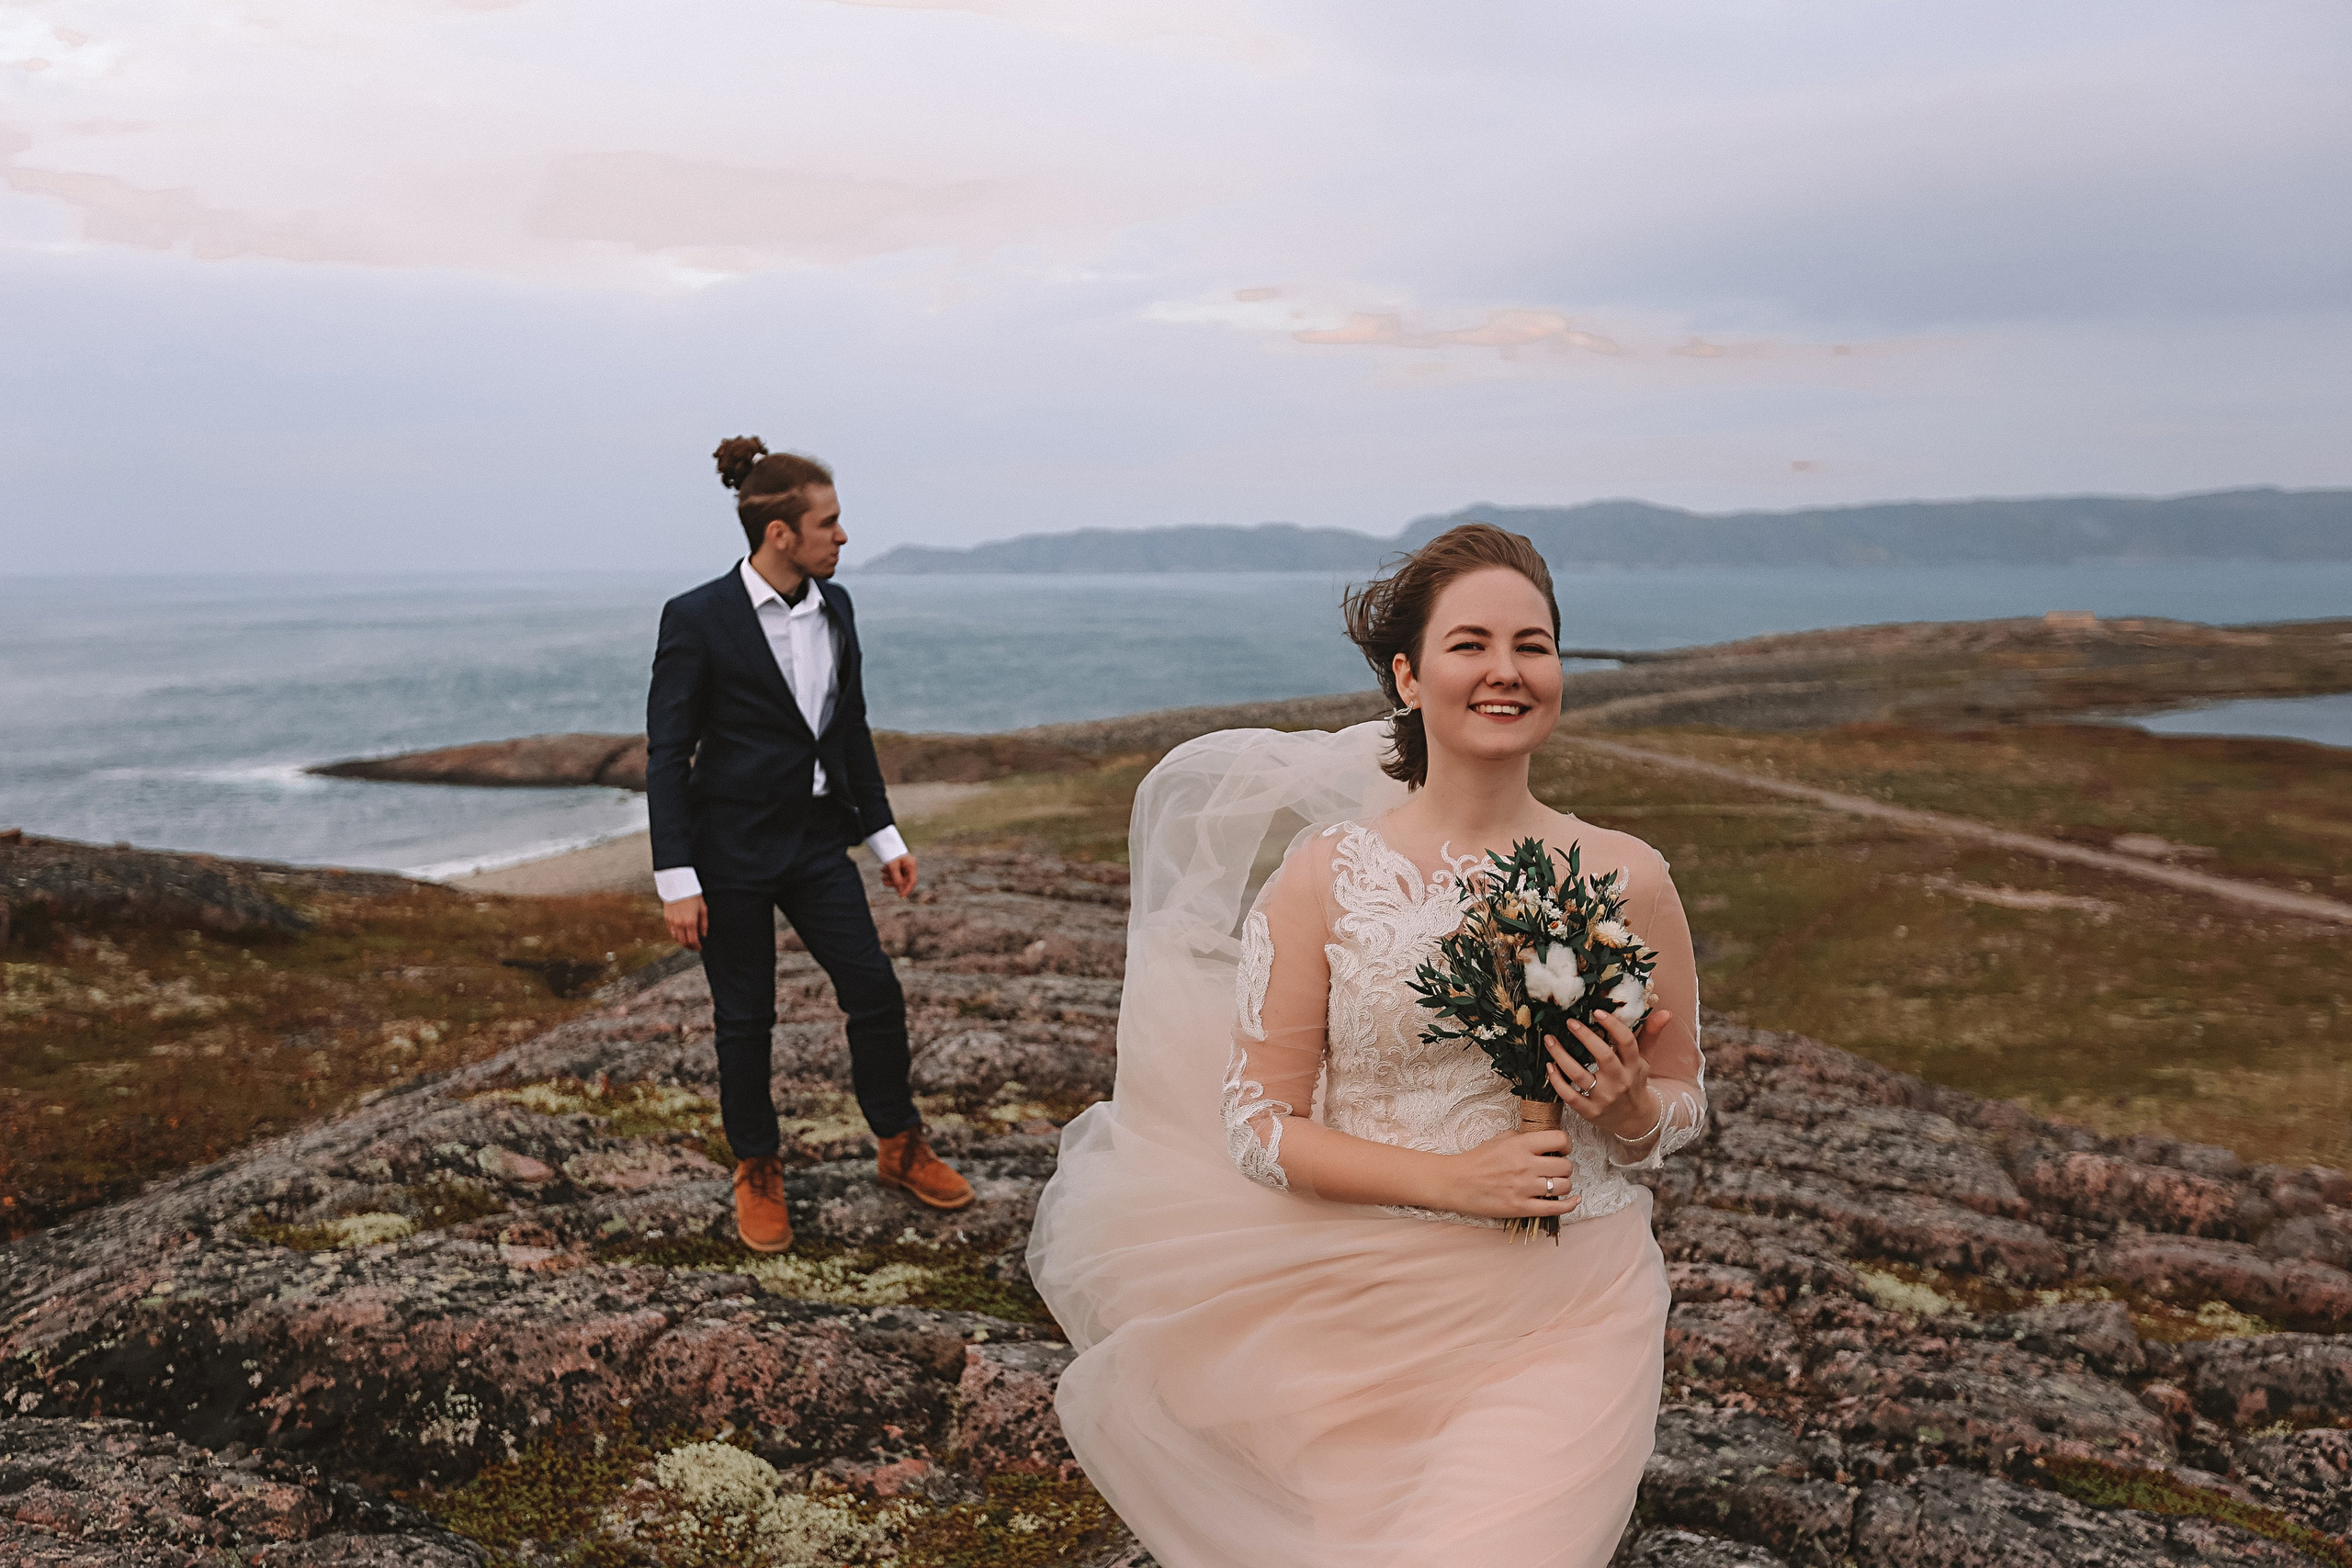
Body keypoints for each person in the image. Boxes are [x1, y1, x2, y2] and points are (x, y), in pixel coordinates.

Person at [1026, 524, 1707, 1567]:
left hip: (1570, 1307)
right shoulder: (1323, 877)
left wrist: (1628, 1114)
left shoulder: (1629, 874)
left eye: (1533, 645)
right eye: (1470, 643)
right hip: (1356, 1312)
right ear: (1406, 674)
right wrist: (1451, 1181)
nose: (1506, 670)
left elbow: (1680, 1099)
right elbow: (1258, 1125)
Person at [645, 436, 973, 1256]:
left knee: (874, 988)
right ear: (780, 534)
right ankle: (756, 1168)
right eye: (829, 523)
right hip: (728, 854)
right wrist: (676, 877)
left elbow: (847, 726)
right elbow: (665, 751)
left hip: (818, 844)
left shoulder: (838, 607)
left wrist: (882, 831)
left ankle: (898, 1144)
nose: (842, 537)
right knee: (745, 1018)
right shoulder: (696, 618)